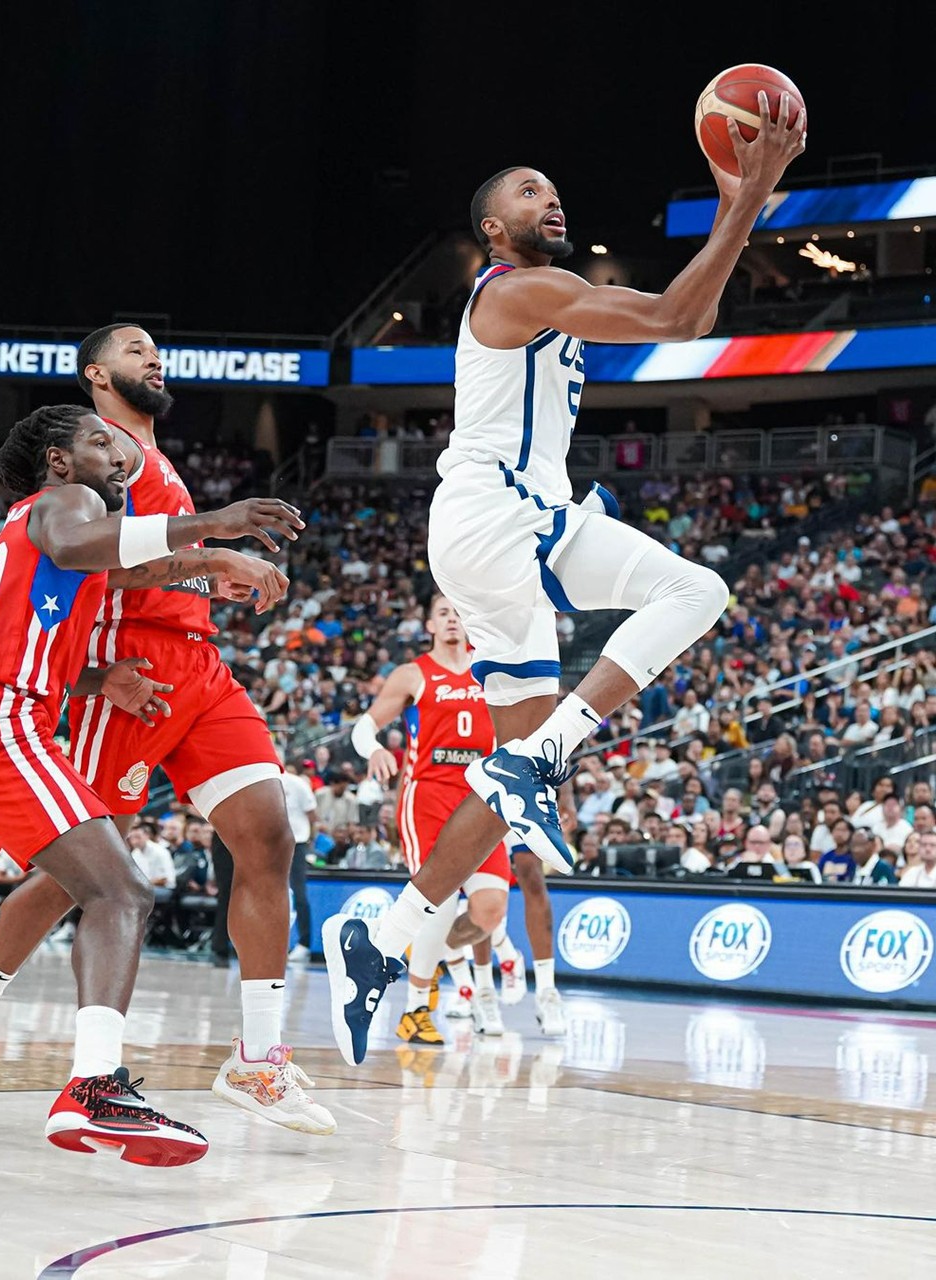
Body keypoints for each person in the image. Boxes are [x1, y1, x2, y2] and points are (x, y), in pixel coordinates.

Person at [324, 98, 807, 1064]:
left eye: (551, 187)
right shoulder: (516, 288)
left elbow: (697, 314)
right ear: (492, 229)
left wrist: (738, 205)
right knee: (698, 594)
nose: (550, 197)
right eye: (526, 191)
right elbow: (675, 316)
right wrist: (749, 195)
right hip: (501, 512)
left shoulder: (548, 291)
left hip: (491, 530)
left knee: (514, 779)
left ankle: (385, 938)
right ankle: (536, 759)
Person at [0, 327, 334, 1137]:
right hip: (131, 670)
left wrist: (209, 583)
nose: (153, 359)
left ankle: (258, 1060)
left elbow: (147, 571)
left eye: (156, 349)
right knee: (89, 870)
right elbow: (99, 564)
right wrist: (217, 555)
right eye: (134, 350)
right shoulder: (98, 463)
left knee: (267, 834)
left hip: (200, 665)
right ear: (96, 374)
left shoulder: (149, 458)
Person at [350, 594, 538, 1045]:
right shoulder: (413, 673)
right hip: (428, 797)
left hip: (481, 796)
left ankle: (437, 951)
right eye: (443, 614)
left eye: (458, 613)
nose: (452, 619)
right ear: (430, 625)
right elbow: (364, 725)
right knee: (439, 899)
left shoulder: (490, 668)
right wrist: (373, 749)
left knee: (490, 910)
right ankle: (416, 1008)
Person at [277, 747, 318, 964]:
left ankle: (304, 943)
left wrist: (310, 840)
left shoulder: (297, 784)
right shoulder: (259, 785)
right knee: (269, 893)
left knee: (299, 893)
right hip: (271, 845)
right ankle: (271, 943)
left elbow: (312, 815)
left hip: (297, 843)